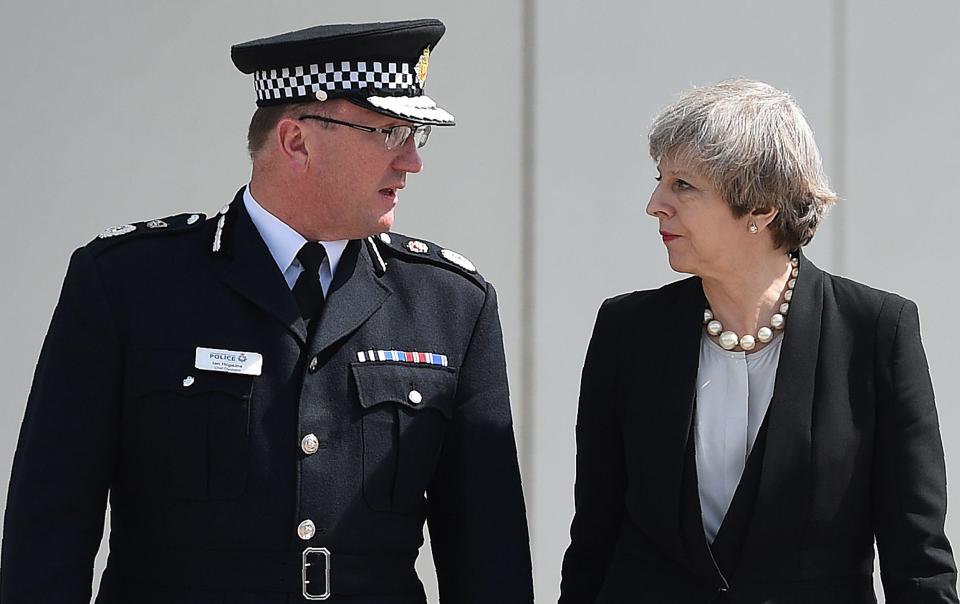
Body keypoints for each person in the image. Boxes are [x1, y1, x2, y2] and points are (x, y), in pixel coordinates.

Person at [0, 19, 533, 603]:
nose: (411, 162)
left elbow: (489, 556)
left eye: (415, 136)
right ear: (296, 141)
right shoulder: (127, 283)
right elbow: (48, 530)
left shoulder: (451, 303)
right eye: (388, 133)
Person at [558, 79, 957, 603]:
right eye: (661, 180)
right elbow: (593, 539)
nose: (655, 204)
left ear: (761, 208)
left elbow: (918, 560)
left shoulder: (878, 331)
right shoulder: (627, 330)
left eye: (683, 185)